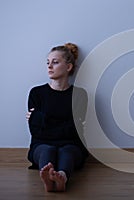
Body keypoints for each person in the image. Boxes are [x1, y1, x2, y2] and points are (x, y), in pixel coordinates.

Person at [26, 43, 88, 192]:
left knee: (65, 151)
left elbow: (75, 131)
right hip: (41, 145)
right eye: (48, 62)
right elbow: (36, 131)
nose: (49, 66)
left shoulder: (80, 95)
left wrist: (43, 119)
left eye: (55, 62)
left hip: (72, 146)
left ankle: (61, 177)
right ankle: (48, 177)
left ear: (68, 67)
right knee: (48, 150)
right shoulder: (36, 93)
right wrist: (64, 123)